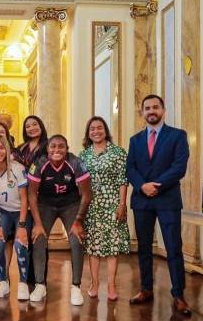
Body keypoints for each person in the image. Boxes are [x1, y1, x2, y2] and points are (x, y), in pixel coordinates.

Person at [126, 94, 191, 316]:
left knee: (174, 247)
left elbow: (179, 167)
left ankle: (178, 295)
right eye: (147, 108)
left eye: (155, 107)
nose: (151, 111)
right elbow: (130, 168)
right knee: (144, 248)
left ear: (163, 110)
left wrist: (157, 186)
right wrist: (143, 186)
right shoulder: (135, 140)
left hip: (167, 199)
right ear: (142, 112)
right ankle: (146, 289)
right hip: (142, 200)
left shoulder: (178, 136)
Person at [28, 135, 92, 306]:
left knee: (76, 240)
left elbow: (87, 195)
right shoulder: (39, 164)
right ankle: (40, 285)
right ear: (47, 148)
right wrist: (38, 224)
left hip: (70, 205)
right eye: (53, 146)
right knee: (39, 238)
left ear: (67, 148)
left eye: (61, 146)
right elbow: (31, 195)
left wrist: (78, 221)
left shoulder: (76, 162)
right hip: (45, 204)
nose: (57, 150)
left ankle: (76, 286)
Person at [79, 117, 130, 300]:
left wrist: (122, 204)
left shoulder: (118, 152)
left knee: (112, 247)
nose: (96, 131)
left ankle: (111, 285)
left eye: (99, 128)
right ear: (88, 133)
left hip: (112, 204)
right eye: (92, 128)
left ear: (105, 130)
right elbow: (81, 183)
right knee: (93, 246)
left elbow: (123, 180)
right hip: (91, 205)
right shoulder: (84, 155)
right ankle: (94, 283)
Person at [0, 135, 30, 300]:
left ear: (7, 150)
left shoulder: (17, 168)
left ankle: (23, 284)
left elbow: (25, 199)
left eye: (1, 148)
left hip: (21, 212)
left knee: (20, 243)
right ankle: (3, 282)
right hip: (3, 211)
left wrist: (22, 226)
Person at [18, 115, 48, 284]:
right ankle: (27, 277)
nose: (31, 128)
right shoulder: (21, 148)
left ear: (41, 126)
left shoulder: (48, 145)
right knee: (27, 237)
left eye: (34, 124)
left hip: (42, 196)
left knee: (40, 238)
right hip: (24, 196)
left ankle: (40, 278)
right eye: (28, 126)